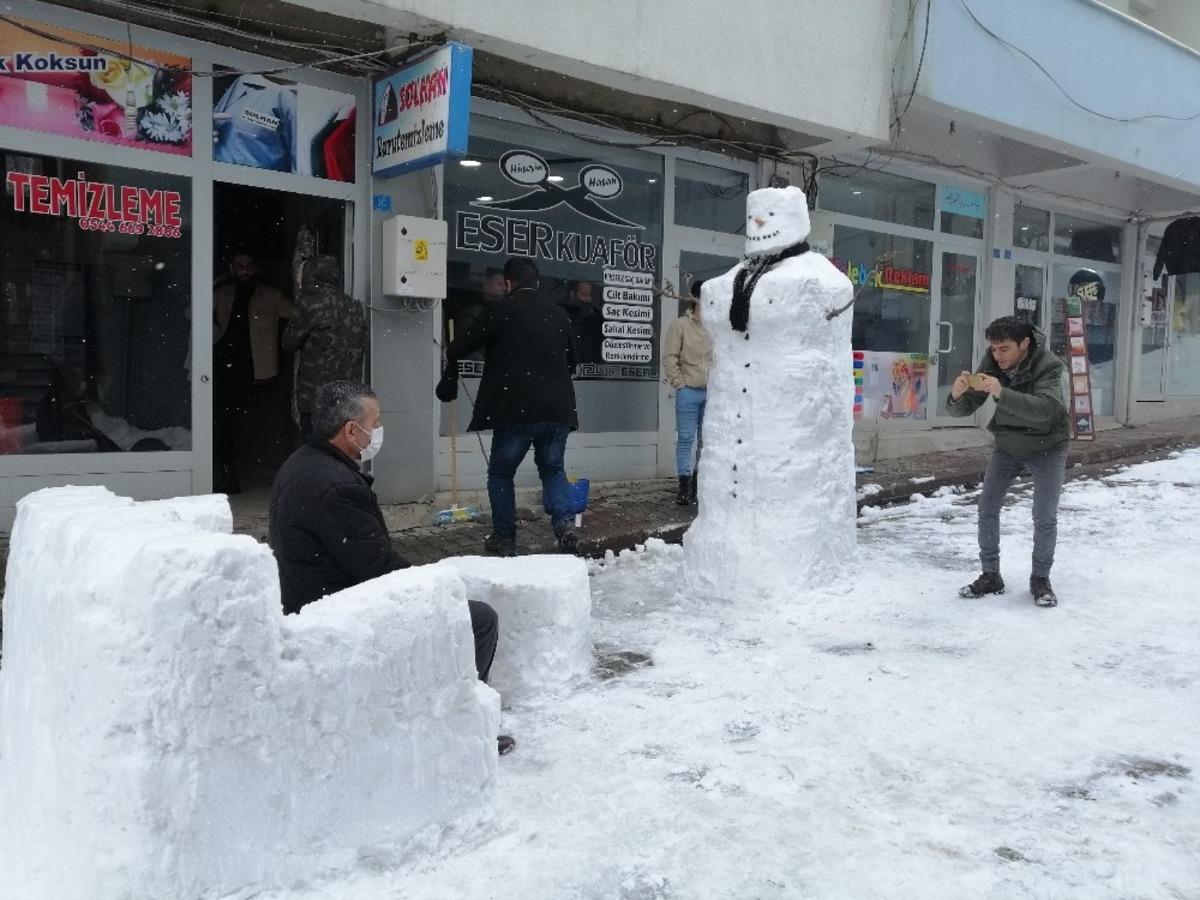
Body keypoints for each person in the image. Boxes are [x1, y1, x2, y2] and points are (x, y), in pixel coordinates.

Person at [268, 381, 513, 753]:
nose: (379, 431)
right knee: (477, 620)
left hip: (316, 592)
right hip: (337, 608)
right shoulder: (334, 487)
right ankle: (460, 728)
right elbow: (379, 570)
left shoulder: (305, 463)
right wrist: (435, 588)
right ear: (351, 430)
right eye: (376, 422)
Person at [436, 257, 580, 557]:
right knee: (553, 468)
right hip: (557, 408)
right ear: (536, 282)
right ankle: (564, 525)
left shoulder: (499, 310)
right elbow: (572, 362)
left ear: (508, 283)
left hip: (516, 409)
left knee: (501, 473)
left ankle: (504, 537)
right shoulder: (558, 314)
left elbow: (460, 347)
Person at [947, 316, 1070, 607]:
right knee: (987, 506)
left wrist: (1002, 392)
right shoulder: (993, 360)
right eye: (993, 349)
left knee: (1044, 515)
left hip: (1048, 444)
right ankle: (991, 575)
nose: (997, 355)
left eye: (1004, 349)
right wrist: (955, 396)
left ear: (1024, 344)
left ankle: (1040, 579)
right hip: (1008, 443)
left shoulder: (1049, 365)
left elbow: (1047, 410)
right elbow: (966, 408)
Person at [213, 253, 295, 493]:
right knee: (224, 424)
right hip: (223, 369)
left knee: (250, 424)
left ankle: (247, 469)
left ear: (256, 269)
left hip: (259, 372)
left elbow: (298, 316)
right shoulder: (222, 293)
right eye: (239, 266)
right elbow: (192, 311)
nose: (245, 271)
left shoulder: (269, 296)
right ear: (232, 268)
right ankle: (228, 474)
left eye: (249, 266)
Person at [281, 255, 366, 436]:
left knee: (315, 446)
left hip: (316, 394)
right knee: (340, 445)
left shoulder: (310, 304)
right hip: (347, 396)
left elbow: (288, 342)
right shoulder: (353, 304)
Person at [664, 281, 712, 505]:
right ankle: (684, 485)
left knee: (706, 440)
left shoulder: (715, 326)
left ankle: (697, 482)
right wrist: (679, 383)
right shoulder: (680, 325)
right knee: (685, 439)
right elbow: (670, 357)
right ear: (695, 299)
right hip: (688, 391)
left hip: (712, 393)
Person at [557, 280, 602, 364]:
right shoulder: (560, 316)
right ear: (572, 294)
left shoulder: (598, 320)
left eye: (590, 295)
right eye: (584, 295)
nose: (589, 299)